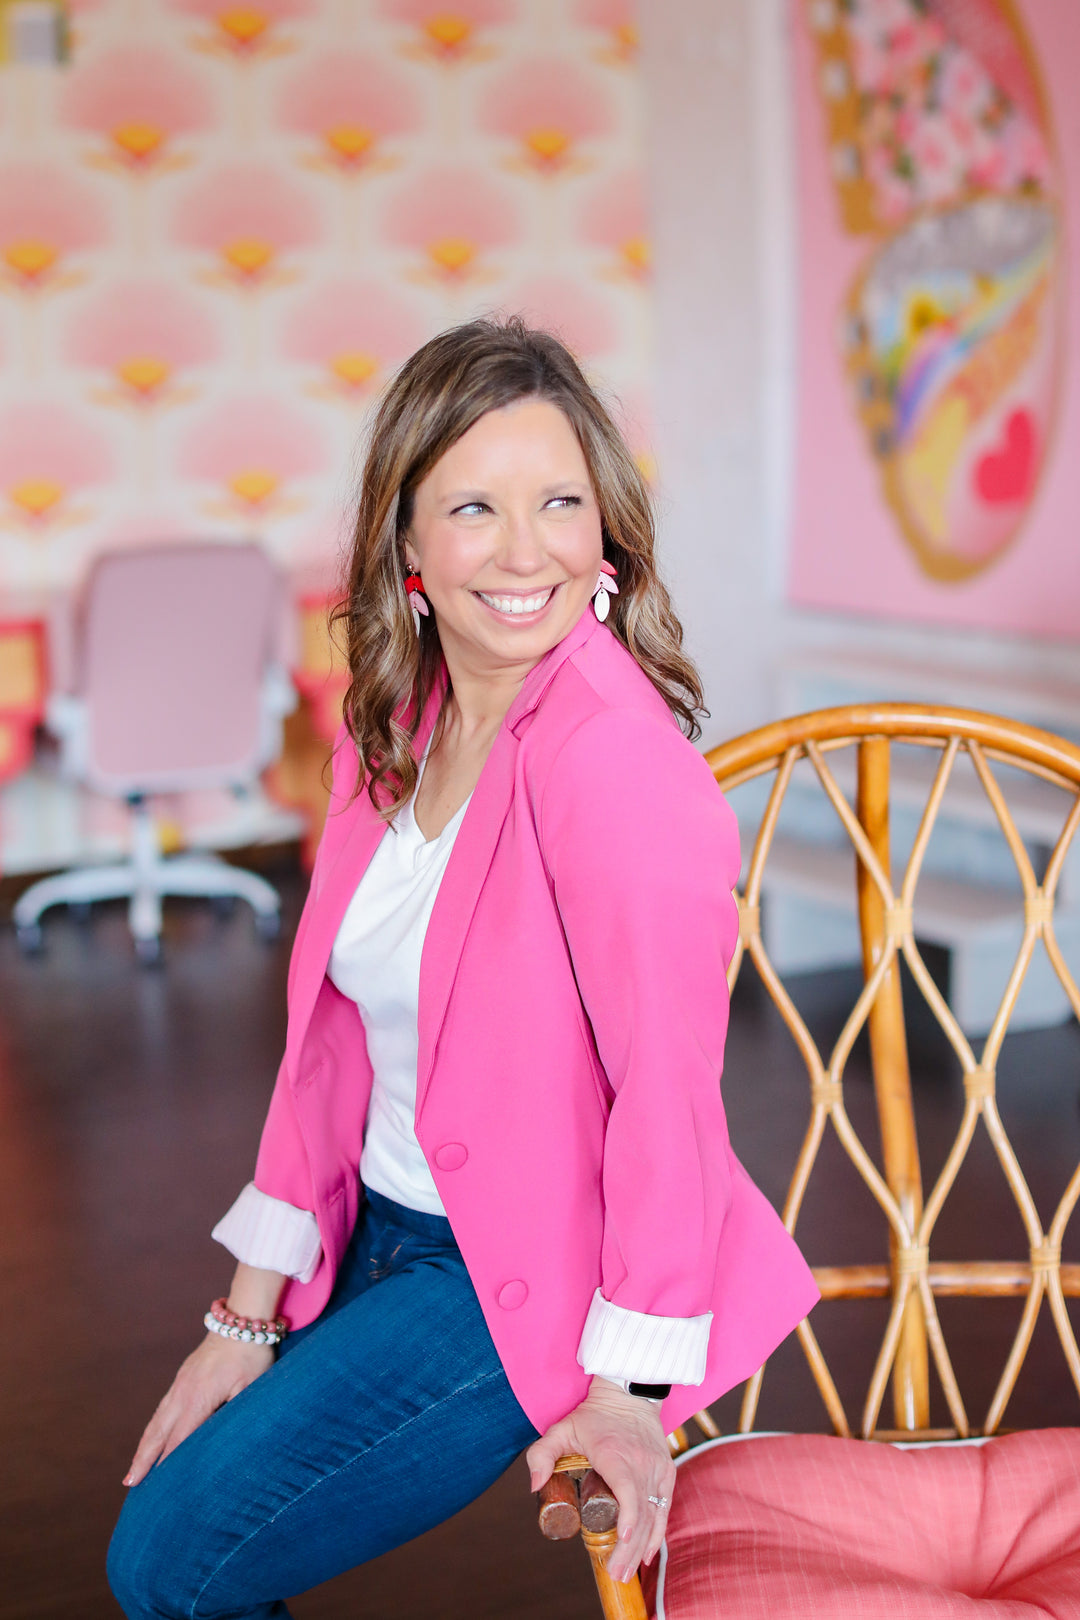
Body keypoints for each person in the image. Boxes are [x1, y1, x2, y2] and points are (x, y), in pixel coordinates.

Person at [108, 317, 819, 1619]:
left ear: (607, 533)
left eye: (560, 501)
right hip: (377, 1223)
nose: (525, 548)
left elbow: (671, 1092)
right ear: (410, 550)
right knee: (174, 1544)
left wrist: (623, 1391)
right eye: (475, 507)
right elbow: (329, 1045)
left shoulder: (610, 760)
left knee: (167, 1562)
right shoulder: (396, 716)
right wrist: (244, 1317)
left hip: (515, 1278)